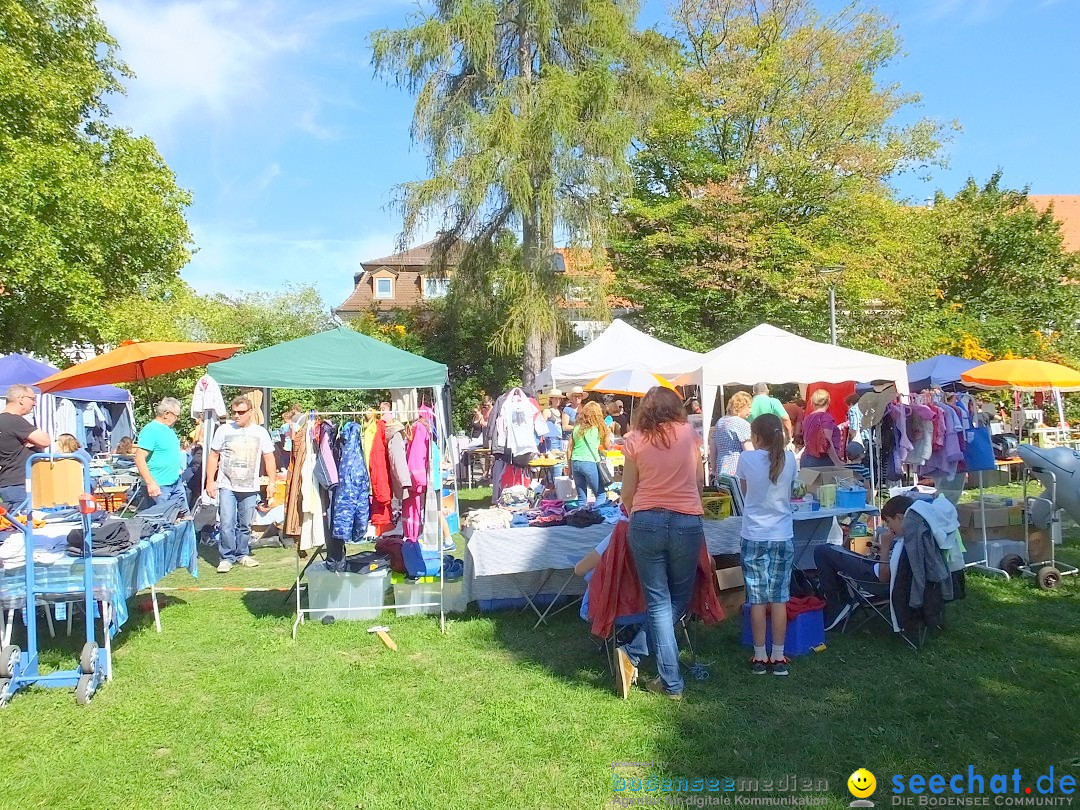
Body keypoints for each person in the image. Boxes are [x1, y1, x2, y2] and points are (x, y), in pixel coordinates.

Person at [617, 386, 705, 699]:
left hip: (647, 522)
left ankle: (640, 656)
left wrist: (635, 510)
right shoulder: (690, 435)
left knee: (659, 602)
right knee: (676, 599)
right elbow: (698, 482)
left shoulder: (634, 440)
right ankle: (663, 677)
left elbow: (627, 491)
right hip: (686, 521)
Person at [737, 413, 797, 676]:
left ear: (756, 436)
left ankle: (759, 656)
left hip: (754, 534)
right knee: (780, 598)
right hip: (782, 534)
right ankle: (779, 655)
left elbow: (744, 490)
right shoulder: (791, 459)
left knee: (757, 599)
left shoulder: (746, 459)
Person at [814, 495, 913, 631]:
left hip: (874, 580)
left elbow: (884, 578)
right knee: (834, 551)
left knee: (822, 551)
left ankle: (837, 605)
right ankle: (842, 599)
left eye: (889, 522)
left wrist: (885, 548)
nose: (889, 527)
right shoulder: (914, 537)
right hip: (875, 568)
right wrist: (885, 548)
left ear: (900, 518)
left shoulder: (905, 543)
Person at [206, 396, 277, 573]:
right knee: (226, 522)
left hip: (250, 486)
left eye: (241, 412)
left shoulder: (260, 433)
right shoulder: (223, 430)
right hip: (227, 484)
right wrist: (210, 481)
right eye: (234, 412)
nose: (237, 416)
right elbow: (213, 456)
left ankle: (242, 553)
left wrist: (272, 482)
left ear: (251, 413)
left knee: (245, 523)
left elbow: (269, 457)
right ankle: (226, 557)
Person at [0, 384, 51, 509]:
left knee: (15, 524)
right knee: (24, 523)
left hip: (7, 481)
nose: (34, 404)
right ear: (21, 399)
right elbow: (45, 441)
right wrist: (31, 441)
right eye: (32, 399)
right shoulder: (14, 420)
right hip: (19, 483)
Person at [135, 397, 188, 513]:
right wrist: (151, 483)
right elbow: (139, 458)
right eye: (176, 416)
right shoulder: (151, 430)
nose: (177, 420)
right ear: (167, 414)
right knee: (161, 524)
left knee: (185, 520)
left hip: (175, 483)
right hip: (159, 486)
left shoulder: (169, 430)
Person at [569, 401, 611, 503]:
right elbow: (606, 446)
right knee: (600, 495)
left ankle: (582, 517)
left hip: (575, 462)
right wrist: (608, 433)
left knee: (582, 498)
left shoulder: (576, 428)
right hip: (590, 462)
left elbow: (569, 448)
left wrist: (570, 467)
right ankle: (597, 518)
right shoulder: (598, 428)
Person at [709, 391, 753, 482]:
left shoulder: (720, 422)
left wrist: (713, 467)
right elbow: (749, 452)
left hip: (721, 468)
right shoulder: (742, 424)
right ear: (740, 406)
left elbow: (713, 446)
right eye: (749, 407)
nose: (750, 411)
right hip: (737, 470)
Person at [801, 389, 843, 468]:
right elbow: (826, 441)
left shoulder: (808, 418)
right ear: (828, 401)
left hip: (807, 458)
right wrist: (837, 462)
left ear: (812, 402)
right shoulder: (825, 417)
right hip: (822, 460)